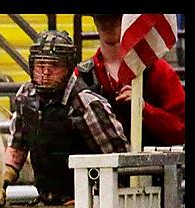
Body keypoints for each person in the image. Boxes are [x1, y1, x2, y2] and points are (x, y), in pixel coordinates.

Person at [0, 30, 129, 208]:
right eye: (39, 66)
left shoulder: (86, 104)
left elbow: (118, 161)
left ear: (68, 68)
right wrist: (2, 183)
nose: (44, 72)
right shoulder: (26, 97)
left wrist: (92, 198)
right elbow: (18, 144)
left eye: (53, 66)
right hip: (47, 206)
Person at [76, 14, 185, 147]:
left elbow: (181, 129)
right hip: (98, 165)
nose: (108, 24)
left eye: (115, 19)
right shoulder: (82, 75)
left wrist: (145, 109)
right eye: (101, 18)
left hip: (153, 164)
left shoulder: (158, 70)